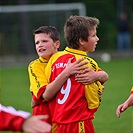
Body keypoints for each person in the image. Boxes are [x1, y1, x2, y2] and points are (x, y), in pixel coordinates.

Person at [44, 15, 109, 133]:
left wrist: (97, 76)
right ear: (82, 41)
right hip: (79, 123)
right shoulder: (86, 63)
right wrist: (98, 87)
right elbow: (93, 103)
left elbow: (48, 84)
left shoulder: (55, 58)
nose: (97, 39)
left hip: (57, 123)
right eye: (94, 35)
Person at [28, 26, 89, 132]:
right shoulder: (35, 66)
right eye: (37, 43)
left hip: (65, 116)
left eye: (44, 41)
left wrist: (96, 76)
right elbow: (45, 96)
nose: (40, 45)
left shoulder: (68, 59)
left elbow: (102, 75)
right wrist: (66, 72)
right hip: (44, 117)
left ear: (57, 44)